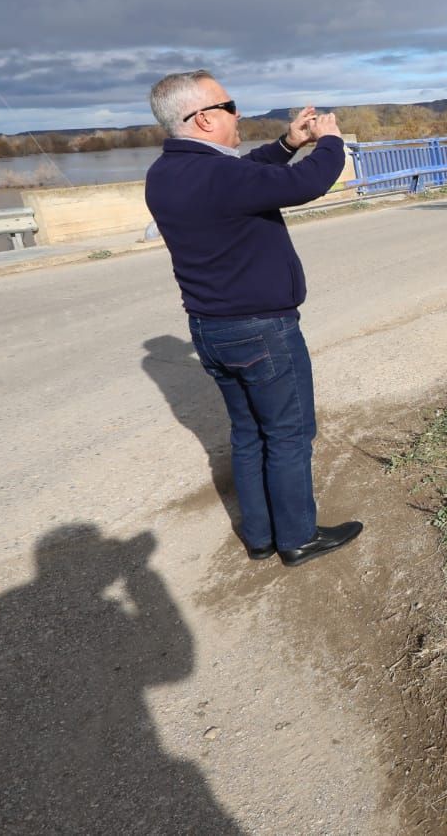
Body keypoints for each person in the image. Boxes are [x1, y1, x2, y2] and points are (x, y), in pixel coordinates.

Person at [144, 70, 361, 566]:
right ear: (201, 119)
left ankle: (261, 536)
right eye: (229, 105)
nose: (238, 113)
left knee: (248, 433)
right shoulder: (221, 176)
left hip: (210, 329)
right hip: (262, 329)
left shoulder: (167, 172)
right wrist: (330, 142)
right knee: (288, 434)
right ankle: (298, 538)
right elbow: (304, 184)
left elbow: (250, 175)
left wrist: (288, 142)